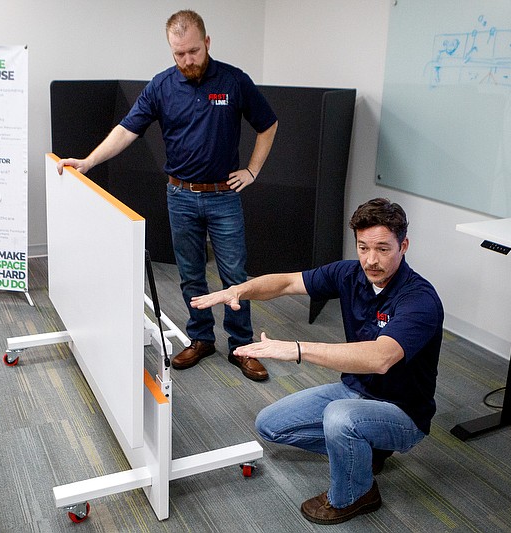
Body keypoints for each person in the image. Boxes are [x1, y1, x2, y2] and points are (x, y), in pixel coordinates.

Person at [191, 198, 444, 525]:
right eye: (363, 247)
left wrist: (297, 349)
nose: (371, 260)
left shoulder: (419, 299)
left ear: (404, 245)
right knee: (270, 424)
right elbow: (286, 282)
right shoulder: (349, 273)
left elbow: (381, 358)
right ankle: (367, 451)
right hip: (354, 390)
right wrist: (240, 290)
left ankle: (356, 494)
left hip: (402, 411)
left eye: (383, 249)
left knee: (340, 418)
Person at [57, 10, 278, 382]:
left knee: (234, 276)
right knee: (191, 274)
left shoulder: (234, 81)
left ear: (207, 43)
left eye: (193, 51)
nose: (187, 61)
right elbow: (127, 130)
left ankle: (241, 346)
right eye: (179, 54)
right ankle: (201, 338)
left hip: (223, 197)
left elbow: (268, 124)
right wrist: (89, 162)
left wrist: (252, 170)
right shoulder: (161, 86)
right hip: (180, 195)